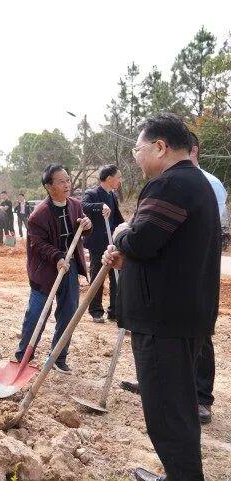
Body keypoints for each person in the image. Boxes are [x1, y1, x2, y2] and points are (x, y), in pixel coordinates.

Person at [103, 113, 220, 481]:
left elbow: (141, 239)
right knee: (178, 408)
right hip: (183, 315)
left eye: (138, 149)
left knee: (168, 415)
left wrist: (122, 232)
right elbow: (161, 248)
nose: (135, 157)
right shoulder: (196, 183)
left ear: (160, 147)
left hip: (163, 322)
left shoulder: (171, 185)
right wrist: (129, 253)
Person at [14, 164, 92, 373]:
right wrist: (57, 257)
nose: (67, 185)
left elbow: (82, 232)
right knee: (37, 313)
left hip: (70, 267)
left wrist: (87, 225)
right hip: (45, 270)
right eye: (62, 181)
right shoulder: (38, 215)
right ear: (49, 186)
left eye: (68, 180)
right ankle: (23, 356)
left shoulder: (75, 205)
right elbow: (39, 244)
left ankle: (58, 357)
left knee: (68, 312)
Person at [189, 132, 225, 425]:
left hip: (197, 270)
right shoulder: (163, 182)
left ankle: (202, 397)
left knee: (200, 332)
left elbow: (211, 230)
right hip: (170, 273)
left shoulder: (210, 184)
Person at [82, 165, 124, 323]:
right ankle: (96, 311)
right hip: (97, 244)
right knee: (98, 278)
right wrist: (100, 206)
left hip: (112, 243)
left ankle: (114, 311)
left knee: (115, 277)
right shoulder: (92, 194)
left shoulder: (112, 195)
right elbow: (83, 206)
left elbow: (117, 218)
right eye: (118, 177)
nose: (120, 181)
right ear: (108, 179)